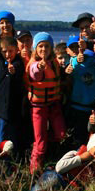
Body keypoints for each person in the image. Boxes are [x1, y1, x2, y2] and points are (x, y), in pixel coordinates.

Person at [15, 133, 95, 191]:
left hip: (67, 190)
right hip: (55, 177)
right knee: (40, 189)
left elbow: (93, 186)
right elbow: (59, 168)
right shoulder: (74, 154)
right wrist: (82, 158)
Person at [27, 32, 66, 173]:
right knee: (40, 144)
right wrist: (40, 67)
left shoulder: (54, 63)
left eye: (47, 46)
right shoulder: (35, 64)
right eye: (40, 46)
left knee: (61, 134)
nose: (44, 49)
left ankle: (51, 159)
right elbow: (34, 73)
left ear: (51, 48)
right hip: (38, 108)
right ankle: (34, 171)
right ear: (36, 48)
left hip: (53, 105)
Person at [64, 33, 95, 146]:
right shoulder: (75, 65)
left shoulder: (80, 65)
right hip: (86, 106)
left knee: (82, 137)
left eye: (78, 48)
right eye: (73, 48)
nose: (77, 51)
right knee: (87, 136)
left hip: (85, 107)